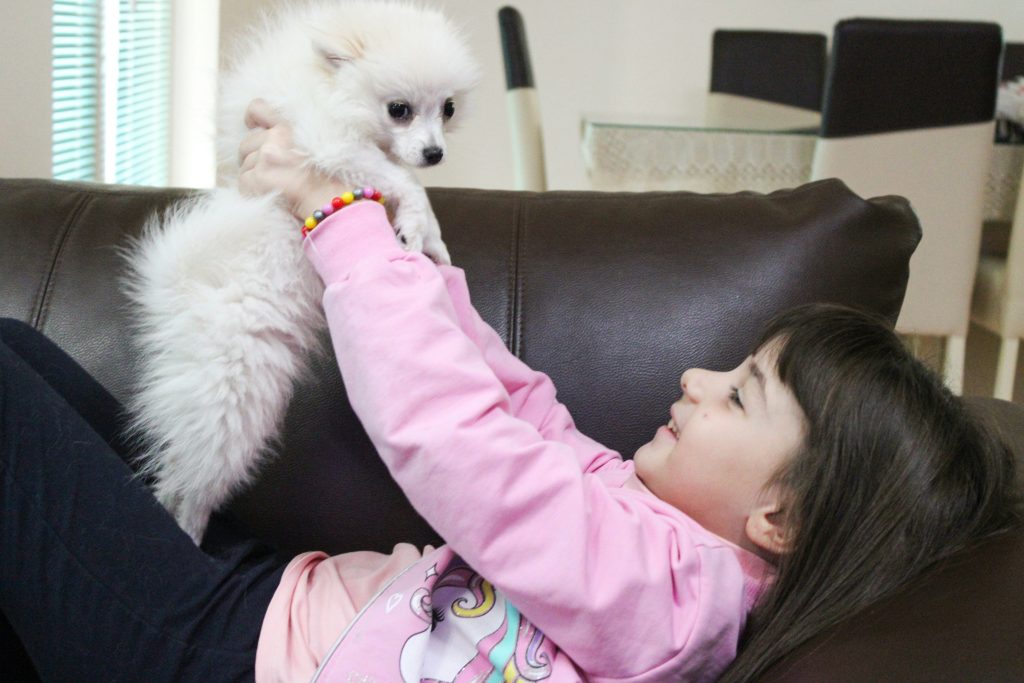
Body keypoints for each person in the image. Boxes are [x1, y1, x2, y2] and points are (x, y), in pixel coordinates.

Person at [0, 101, 1018, 682]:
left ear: (781, 514)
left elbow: (459, 444)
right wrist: (405, 247)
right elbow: (523, 413)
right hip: (269, 605)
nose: (696, 378)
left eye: (740, 394)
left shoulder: (672, 599)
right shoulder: (649, 538)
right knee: (18, 347)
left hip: (225, 654)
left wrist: (334, 220)